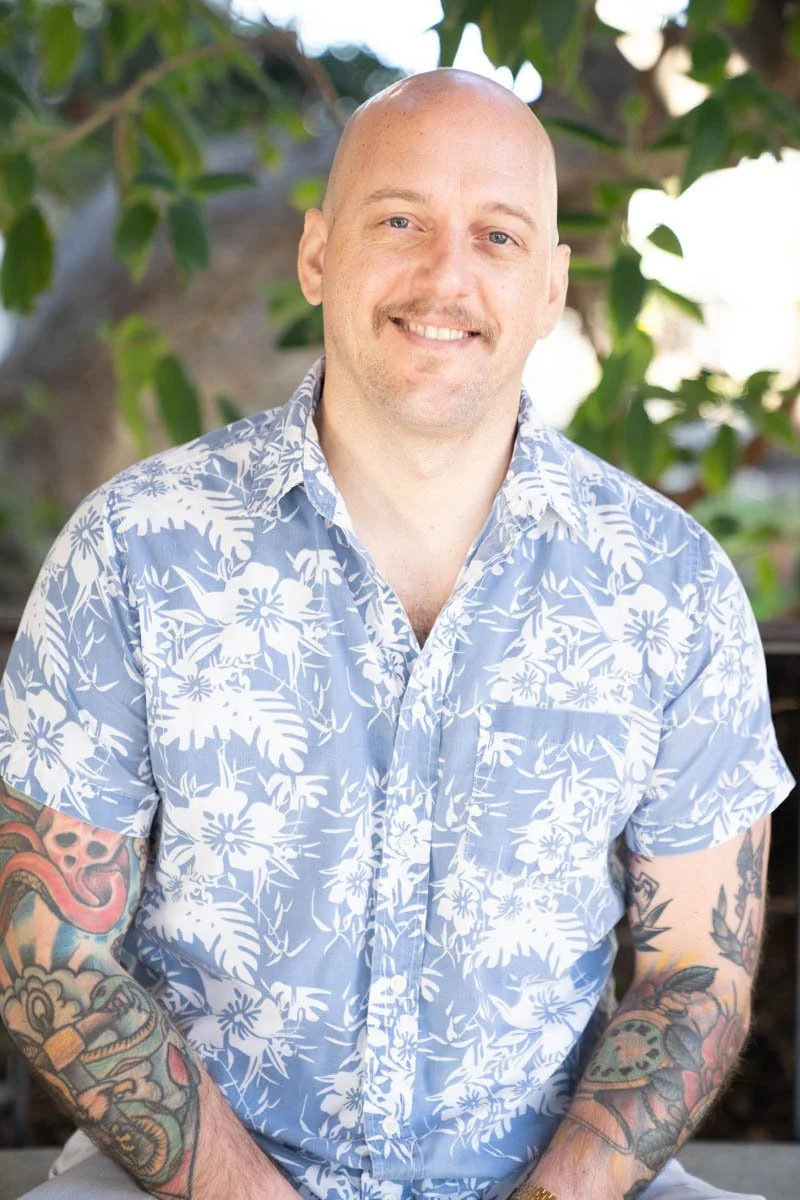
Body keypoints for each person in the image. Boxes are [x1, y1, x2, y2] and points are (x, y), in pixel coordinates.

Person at [0, 67, 793, 1200]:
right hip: (182, 1179)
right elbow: (55, 961)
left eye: (497, 236)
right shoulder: (134, 552)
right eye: (399, 221)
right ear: (317, 254)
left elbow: (694, 972)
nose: (445, 276)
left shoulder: (670, 587)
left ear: (551, 286)